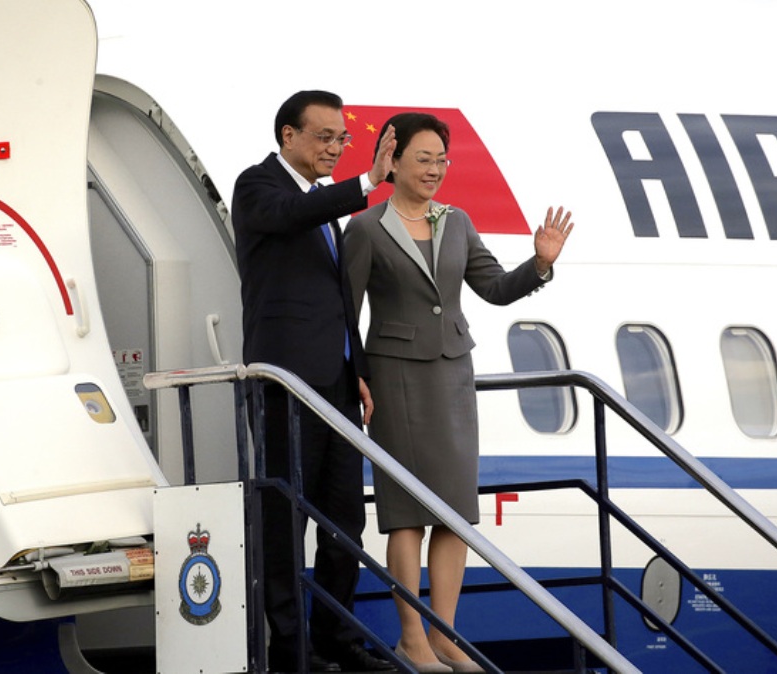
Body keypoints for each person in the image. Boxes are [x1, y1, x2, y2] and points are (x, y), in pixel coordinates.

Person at [343, 112, 574, 673]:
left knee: (455, 512)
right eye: (423, 159)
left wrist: (539, 264)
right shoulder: (367, 228)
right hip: (395, 377)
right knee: (406, 514)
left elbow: (493, 288)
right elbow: (346, 311)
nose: (434, 170)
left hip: (452, 375)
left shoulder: (458, 221)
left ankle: (446, 635)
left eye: (441, 160)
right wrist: (354, 373)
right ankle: (412, 638)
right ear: (391, 160)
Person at [231, 90, 397, 673]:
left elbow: (338, 297)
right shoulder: (259, 188)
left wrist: (361, 371)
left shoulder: (323, 202)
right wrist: (364, 183)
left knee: (343, 518)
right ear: (288, 137)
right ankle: (288, 649)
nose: (335, 148)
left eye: (341, 139)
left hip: (337, 384)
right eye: (324, 137)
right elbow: (286, 217)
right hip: (286, 384)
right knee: (286, 519)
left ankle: (336, 640)